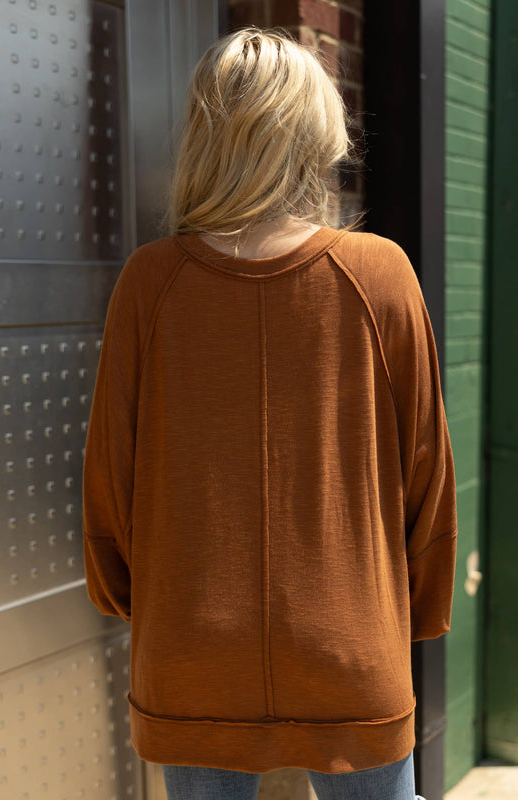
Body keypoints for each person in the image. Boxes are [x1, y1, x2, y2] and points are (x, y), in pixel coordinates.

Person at [82, 26, 458, 800]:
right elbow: (426, 472)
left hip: (189, 646)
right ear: (317, 134)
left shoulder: (148, 284)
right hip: (352, 640)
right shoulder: (378, 273)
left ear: (204, 138)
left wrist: (141, 604)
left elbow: (109, 483)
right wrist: (407, 614)